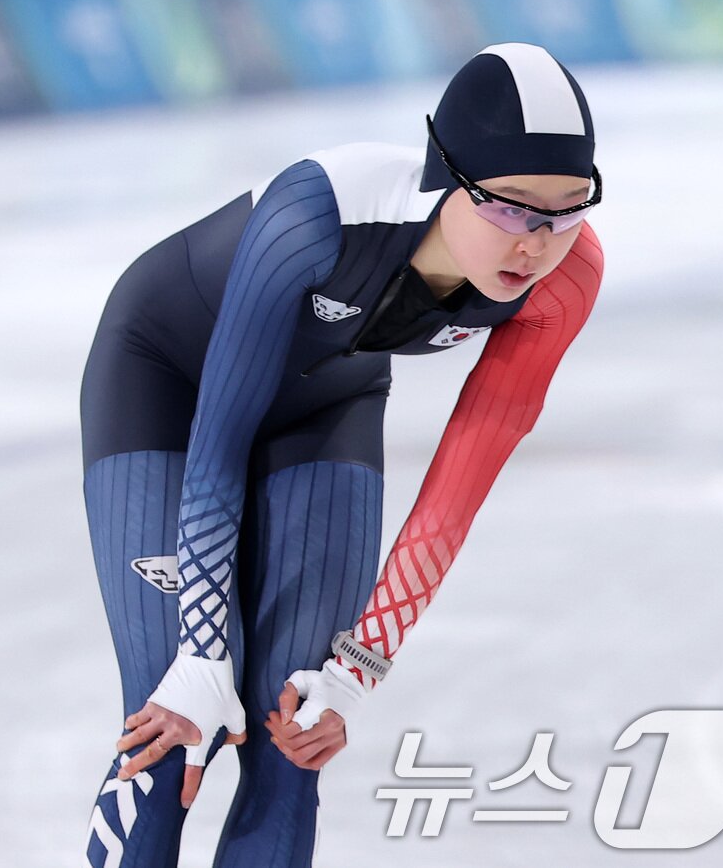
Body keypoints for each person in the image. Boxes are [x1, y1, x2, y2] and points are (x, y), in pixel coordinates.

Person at [81, 42, 603, 865]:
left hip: (329, 407)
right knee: (174, 727)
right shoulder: (319, 211)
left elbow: (457, 489)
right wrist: (203, 649)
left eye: (568, 210)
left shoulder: (565, 281)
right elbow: (218, 436)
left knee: (292, 733)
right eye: (510, 208)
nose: (537, 244)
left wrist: (361, 665)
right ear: (447, 177)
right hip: (171, 385)